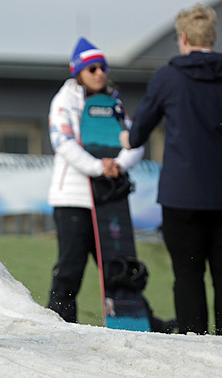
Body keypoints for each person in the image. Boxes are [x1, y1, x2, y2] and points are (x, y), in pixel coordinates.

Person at [120, 4, 222, 335]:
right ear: (212, 37)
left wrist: (127, 136)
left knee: (188, 275)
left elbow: (139, 133)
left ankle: (195, 347)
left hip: (182, 195)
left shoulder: (169, 77)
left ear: (183, 38)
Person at [47, 37, 144, 324]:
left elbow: (134, 141)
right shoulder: (63, 100)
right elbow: (62, 142)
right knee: (69, 269)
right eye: (92, 69)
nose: (100, 73)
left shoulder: (114, 101)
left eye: (103, 67)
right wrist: (99, 167)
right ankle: (61, 327)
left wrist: (119, 164)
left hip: (109, 200)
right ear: (78, 72)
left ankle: (133, 322)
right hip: (72, 200)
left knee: (118, 268)